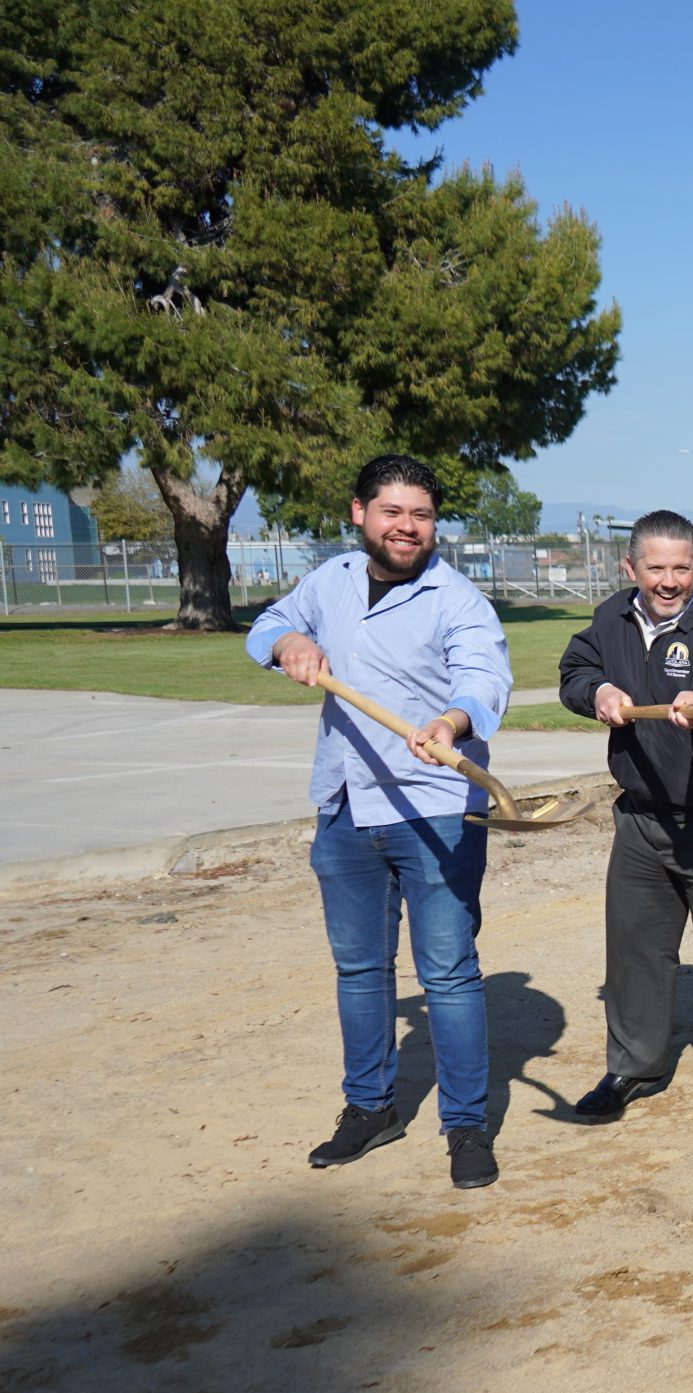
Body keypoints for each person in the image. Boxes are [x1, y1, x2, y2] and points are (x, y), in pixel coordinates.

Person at [246, 454, 511, 1190]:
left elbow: (486, 679)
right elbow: (267, 624)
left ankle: (465, 1124)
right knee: (361, 969)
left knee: (449, 974)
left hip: (435, 807)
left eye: (421, 515)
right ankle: (369, 1108)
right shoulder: (328, 581)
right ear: (359, 511)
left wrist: (455, 720)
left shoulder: (456, 598)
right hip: (345, 806)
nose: (407, 526)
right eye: (393, 511)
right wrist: (286, 643)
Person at [557, 510, 693, 1133]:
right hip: (641, 821)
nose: (669, 580)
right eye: (656, 568)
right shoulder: (612, 617)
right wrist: (595, 693)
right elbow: (575, 670)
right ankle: (636, 1065)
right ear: (631, 568)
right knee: (636, 954)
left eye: (682, 567)